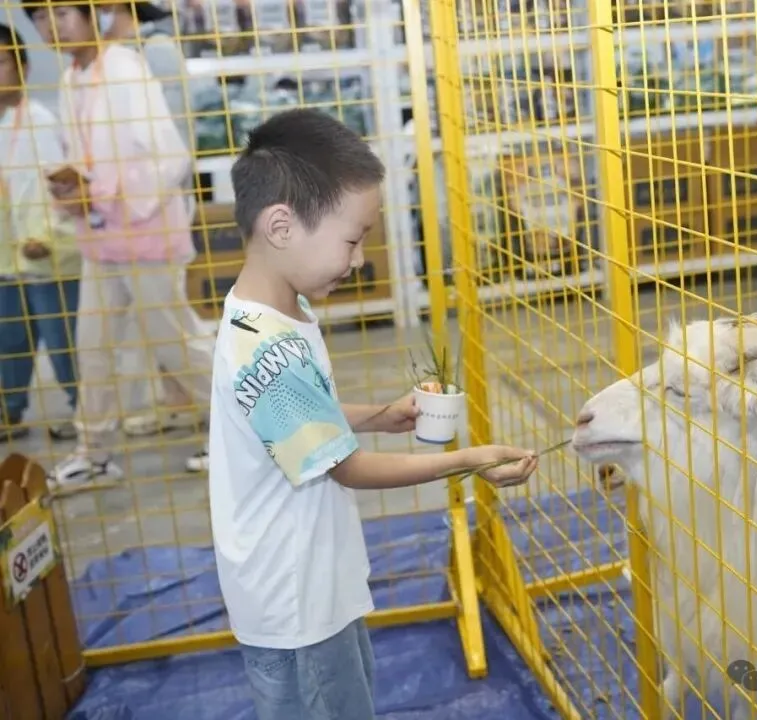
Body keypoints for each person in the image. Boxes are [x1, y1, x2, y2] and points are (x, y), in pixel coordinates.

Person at [209, 108, 540, 720]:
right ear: (281, 225)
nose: (360, 259)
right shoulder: (268, 348)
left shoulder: (268, 313)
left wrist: (378, 416)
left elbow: (296, 419)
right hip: (298, 605)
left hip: (308, 585)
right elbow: (348, 468)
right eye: (352, 239)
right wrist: (468, 460)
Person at [24, 0, 211, 486]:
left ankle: (247, 433)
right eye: (40, 17)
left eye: (62, 14)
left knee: (178, 344)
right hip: (102, 238)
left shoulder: (125, 68)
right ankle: (94, 452)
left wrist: (101, 193)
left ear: (94, 15)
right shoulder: (72, 78)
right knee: (94, 347)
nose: (51, 26)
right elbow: (87, 157)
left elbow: (170, 158)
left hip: (146, 235)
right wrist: (74, 188)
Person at [94, 0, 210, 440]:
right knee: (150, 321)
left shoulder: (154, 50)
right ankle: (178, 404)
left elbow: (175, 141)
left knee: (170, 321)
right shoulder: (102, 56)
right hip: (117, 214)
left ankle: (224, 414)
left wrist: (144, 195)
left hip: (156, 207)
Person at [0, 22, 81, 441]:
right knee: (9, 341)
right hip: (6, 258)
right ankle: (9, 413)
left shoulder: (41, 121)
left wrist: (47, 237)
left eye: (1, 63)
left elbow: (61, 189)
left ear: (23, 68)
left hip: (48, 255)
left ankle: (82, 414)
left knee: (63, 340)